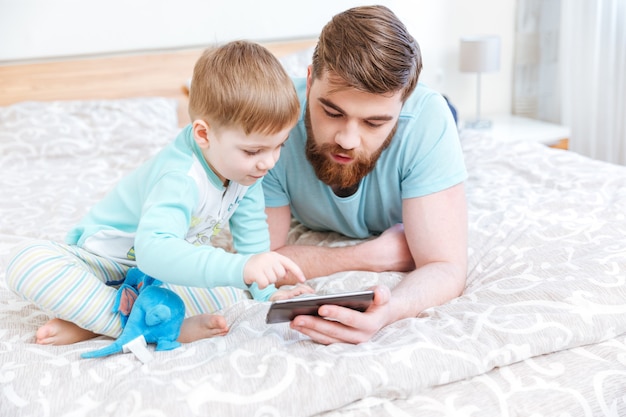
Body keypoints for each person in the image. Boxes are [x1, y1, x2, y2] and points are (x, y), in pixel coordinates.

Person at [5, 40, 312, 346]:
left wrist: (267, 290)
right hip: (103, 263)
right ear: (204, 134)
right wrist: (241, 267)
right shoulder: (179, 177)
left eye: (279, 146)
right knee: (27, 262)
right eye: (254, 150)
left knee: (232, 291)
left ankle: (102, 321)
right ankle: (161, 326)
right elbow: (154, 253)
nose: (268, 162)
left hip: (161, 275)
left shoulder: (247, 171)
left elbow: (252, 237)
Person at [262, 5, 469, 344]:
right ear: (310, 79)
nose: (347, 139)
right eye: (331, 111)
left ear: (402, 106)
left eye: (375, 122)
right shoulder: (273, 121)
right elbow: (260, 259)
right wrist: (366, 257)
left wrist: (390, 310)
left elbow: (445, 265)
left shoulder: (425, 120)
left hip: (430, 119)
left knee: (446, 113)